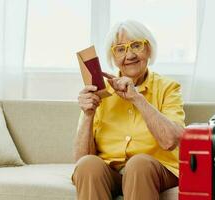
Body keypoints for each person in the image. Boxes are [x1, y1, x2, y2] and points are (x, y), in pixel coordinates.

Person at [72, 19, 185, 200]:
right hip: (111, 172)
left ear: (148, 49)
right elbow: (81, 160)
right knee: (88, 166)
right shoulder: (99, 91)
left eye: (136, 46)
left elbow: (170, 141)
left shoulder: (168, 88)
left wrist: (137, 98)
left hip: (155, 169)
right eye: (120, 49)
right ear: (113, 57)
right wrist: (88, 115)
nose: (129, 54)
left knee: (139, 164)